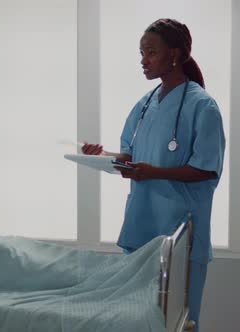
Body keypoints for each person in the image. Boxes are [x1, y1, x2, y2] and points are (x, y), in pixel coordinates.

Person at [82, 18, 225, 332]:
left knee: (178, 323)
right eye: (141, 52)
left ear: (174, 55)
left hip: (180, 234)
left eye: (150, 52)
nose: (143, 60)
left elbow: (205, 168)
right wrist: (102, 157)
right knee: (135, 321)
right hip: (141, 228)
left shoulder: (203, 107)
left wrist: (153, 172)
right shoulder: (146, 103)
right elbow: (131, 157)